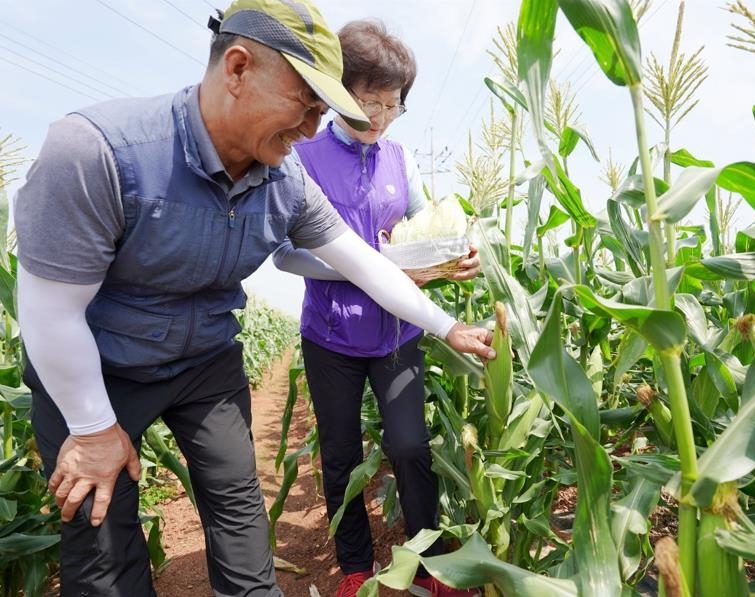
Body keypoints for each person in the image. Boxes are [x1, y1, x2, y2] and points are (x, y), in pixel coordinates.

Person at [13, 0, 493, 595]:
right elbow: (50, 311)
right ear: (238, 69)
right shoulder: (95, 153)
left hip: (204, 364)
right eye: (306, 105)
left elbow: (369, 266)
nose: (313, 130)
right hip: (95, 365)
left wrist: (448, 327)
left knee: (242, 527)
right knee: (103, 545)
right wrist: (89, 428)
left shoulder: (287, 180)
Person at [272, 20, 481, 597]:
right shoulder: (302, 156)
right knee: (339, 457)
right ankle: (356, 567)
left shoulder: (400, 159)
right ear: (338, 94)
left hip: (396, 335)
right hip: (330, 336)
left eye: (393, 105)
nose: (381, 117)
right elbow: (287, 257)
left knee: (411, 448)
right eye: (368, 102)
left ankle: (431, 564)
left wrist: (456, 255)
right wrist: (368, 266)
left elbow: (424, 228)